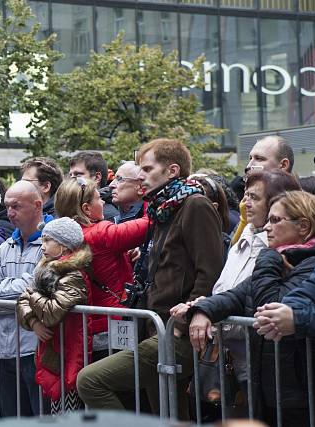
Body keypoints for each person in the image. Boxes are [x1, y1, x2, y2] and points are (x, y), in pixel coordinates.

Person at [76, 139, 225, 420]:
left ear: (172, 170)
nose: (140, 174)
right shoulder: (162, 209)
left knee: (91, 380)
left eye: (147, 168)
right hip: (156, 326)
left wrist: (190, 315)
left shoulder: (194, 205)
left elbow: (211, 269)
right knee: (167, 415)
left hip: (176, 331)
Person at [183, 190, 315, 426]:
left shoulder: (309, 263)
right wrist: (203, 310)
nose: (266, 227)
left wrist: (266, 258)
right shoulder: (277, 260)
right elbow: (236, 295)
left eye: (275, 220)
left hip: (298, 392)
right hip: (267, 386)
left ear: (304, 226)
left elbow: (269, 304)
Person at [0, 180, 51, 417]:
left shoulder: (52, 244)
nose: (10, 213)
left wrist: (5, 289)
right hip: (1, 348)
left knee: (40, 414)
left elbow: (39, 287)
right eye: (7, 206)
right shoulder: (5, 246)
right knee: (10, 416)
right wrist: (20, 294)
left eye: (16, 206)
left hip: (34, 347)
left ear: (38, 205)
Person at [55, 177, 148, 360]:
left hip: (90, 325)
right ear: (86, 209)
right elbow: (149, 223)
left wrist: (123, 256)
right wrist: (147, 193)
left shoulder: (61, 238)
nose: (103, 202)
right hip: (112, 325)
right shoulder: (99, 233)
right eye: (98, 198)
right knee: (120, 381)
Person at [17, 217, 92, 412]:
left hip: (70, 350)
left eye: (48, 240)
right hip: (54, 349)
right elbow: (21, 303)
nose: (42, 247)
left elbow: (51, 312)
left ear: (65, 246)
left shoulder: (73, 275)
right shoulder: (47, 271)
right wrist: (33, 322)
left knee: (68, 408)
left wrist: (32, 292)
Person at [232, 136, 295, 245]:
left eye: (259, 159)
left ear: (283, 165)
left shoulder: (299, 209)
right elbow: (233, 254)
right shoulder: (246, 208)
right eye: (250, 158)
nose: (249, 165)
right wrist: (244, 222)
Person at [68, 151, 120, 222]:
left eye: (78, 175)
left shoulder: (107, 216)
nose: (72, 180)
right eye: (70, 175)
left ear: (97, 177)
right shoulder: (71, 207)